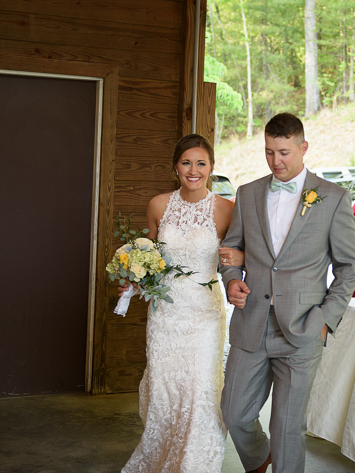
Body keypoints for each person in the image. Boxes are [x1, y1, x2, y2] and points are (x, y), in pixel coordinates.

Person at [219, 113, 355, 473]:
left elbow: (349, 267)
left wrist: (325, 319)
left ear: (303, 148)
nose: (275, 161)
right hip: (251, 322)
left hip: (303, 328)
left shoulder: (332, 197)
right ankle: (257, 456)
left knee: (286, 428)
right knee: (233, 413)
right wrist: (232, 279)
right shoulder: (247, 193)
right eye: (268, 152)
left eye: (283, 152)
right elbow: (231, 250)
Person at [120, 133, 244, 473]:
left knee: (200, 387)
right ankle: (161, 456)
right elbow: (152, 257)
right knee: (164, 384)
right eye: (186, 162)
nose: (194, 170)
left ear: (212, 168)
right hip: (165, 313)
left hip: (205, 314)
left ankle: (195, 464)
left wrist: (240, 255)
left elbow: (239, 258)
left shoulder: (226, 210)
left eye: (201, 163)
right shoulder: (158, 205)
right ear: (176, 166)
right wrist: (133, 279)